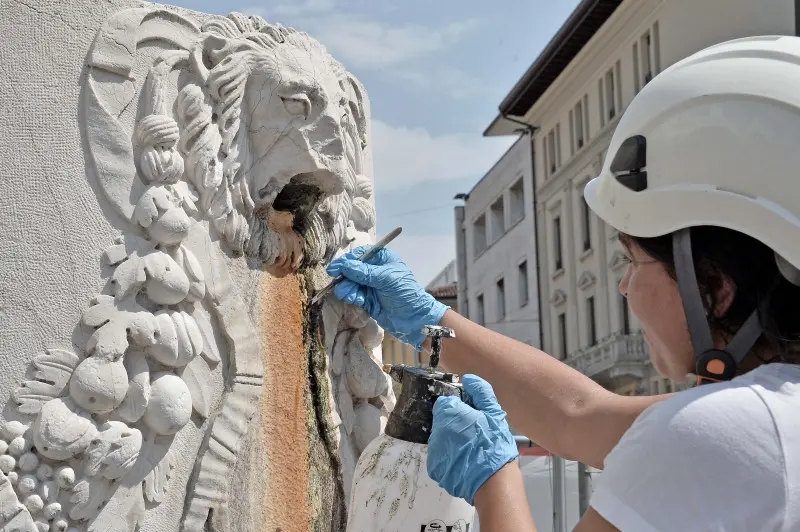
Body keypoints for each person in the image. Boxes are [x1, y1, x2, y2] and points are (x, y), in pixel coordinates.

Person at [327, 35, 800, 531]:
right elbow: (580, 414)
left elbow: (590, 418)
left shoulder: (721, 436)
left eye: (633, 261)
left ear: (714, 288)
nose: (623, 287)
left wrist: (494, 484)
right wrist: (431, 321)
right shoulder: (765, 422)